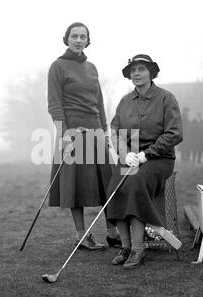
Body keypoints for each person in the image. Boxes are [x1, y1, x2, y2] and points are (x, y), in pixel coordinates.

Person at [47, 22, 121, 250]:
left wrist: (106, 132)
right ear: (67, 39)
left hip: (96, 129)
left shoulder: (92, 68)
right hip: (73, 131)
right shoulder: (57, 66)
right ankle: (82, 236)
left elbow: (99, 102)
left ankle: (112, 232)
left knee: (107, 182)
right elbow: (54, 104)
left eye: (83, 36)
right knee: (75, 184)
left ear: (88, 40)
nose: (78, 40)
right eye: (74, 36)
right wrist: (64, 134)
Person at [106, 54, 183, 269]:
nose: (136, 73)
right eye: (133, 70)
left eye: (141, 69)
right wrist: (124, 154)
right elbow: (115, 130)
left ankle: (139, 249)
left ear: (151, 72)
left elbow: (175, 133)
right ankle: (126, 245)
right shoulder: (125, 101)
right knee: (114, 186)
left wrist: (146, 155)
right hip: (130, 158)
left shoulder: (166, 98)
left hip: (159, 160)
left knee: (135, 182)